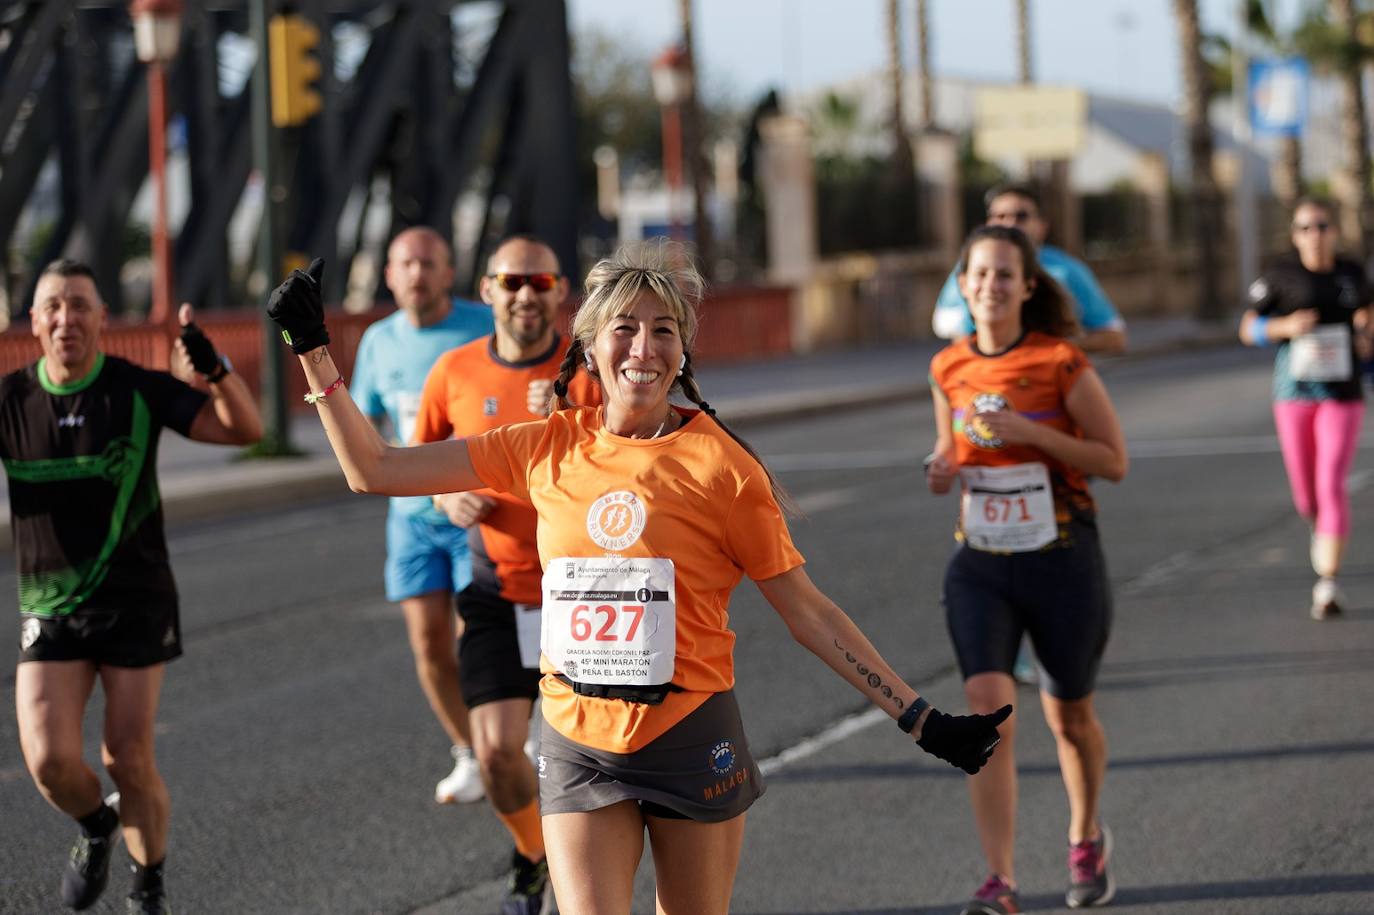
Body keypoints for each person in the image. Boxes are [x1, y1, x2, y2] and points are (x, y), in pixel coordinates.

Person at [266, 240, 1011, 915]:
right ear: (590, 346)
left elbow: (808, 613)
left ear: (682, 352)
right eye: (625, 328)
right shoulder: (546, 445)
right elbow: (375, 469)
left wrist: (921, 719)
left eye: (664, 331)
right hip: (576, 739)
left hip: (688, 735)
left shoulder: (723, 468)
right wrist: (313, 351)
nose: (644, 348)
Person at [4, 260, 263, 914]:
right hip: (52, 604)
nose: (66, 318)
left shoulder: (137, 389)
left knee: (127, 756)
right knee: (49, 761)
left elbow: (245, 429)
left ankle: (147, 887)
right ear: (33, 321)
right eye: (53, 306)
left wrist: (216, 369)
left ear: (102, 318)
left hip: (135, 599)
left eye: (79, 305)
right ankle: (97, 825)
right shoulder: (10, 400)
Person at [924, 225, 1128, 914]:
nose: (990, 285)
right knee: (987, 713)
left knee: (1070, 717)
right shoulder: (947, 366)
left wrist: (1032, 433)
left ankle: (1086, 835)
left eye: (1004, 274)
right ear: (963, 284)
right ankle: (1000, 880)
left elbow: (1113, 460)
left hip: (1061, 557)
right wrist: (942, 468)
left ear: (1028, 285)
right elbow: (951, 450)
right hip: (981, 561)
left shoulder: (1061, 361)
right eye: (978, 273)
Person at [412, 234, 598, 914]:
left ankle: (589, 883)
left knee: (589, 763)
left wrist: (573, 422)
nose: (525, 295)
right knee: (494, 753)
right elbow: (420, 458)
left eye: (539, 282)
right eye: (512, 281)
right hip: (496, 589)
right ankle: (532, 853)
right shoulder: (453, 371)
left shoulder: (587, 373)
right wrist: (445, 496)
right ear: (487, 290)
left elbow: (633, 462)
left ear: (560, 291)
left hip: (581, 595)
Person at [349, 226, 493, 803]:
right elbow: (364, 419)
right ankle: (469, 751)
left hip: (476, 514)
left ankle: (510, 737)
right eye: (406, 264)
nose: (417, 274)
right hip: (411, 518)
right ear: (389, 275)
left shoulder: (484, 326)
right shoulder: (379, 340)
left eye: (428, 263)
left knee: (478, 641)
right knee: (430, 648)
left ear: (448, 272)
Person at [1239, 196, 1374, 619]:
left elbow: (1367, 311)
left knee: (1331, 482)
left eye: (1321, 226)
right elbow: (1247, 328)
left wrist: (1364, 333)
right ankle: (1319, 527)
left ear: (1334, 230)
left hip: (1342, 391)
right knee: (1306, 495)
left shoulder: (1351, 272)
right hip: (1294, 392)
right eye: (1305, 228)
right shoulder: (1280, 275)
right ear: (1295, 235)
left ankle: (1327, 581)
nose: (1314, 235)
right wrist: (1284, 325)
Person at [932, 183, 1128, 356]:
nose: (1010, 224)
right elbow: (951, 328)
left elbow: (1114, 336)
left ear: (1029, 285)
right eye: (1000, 216)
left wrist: (1045, 351)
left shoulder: (1066, 271)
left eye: (1021, 216)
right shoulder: (971, 266)